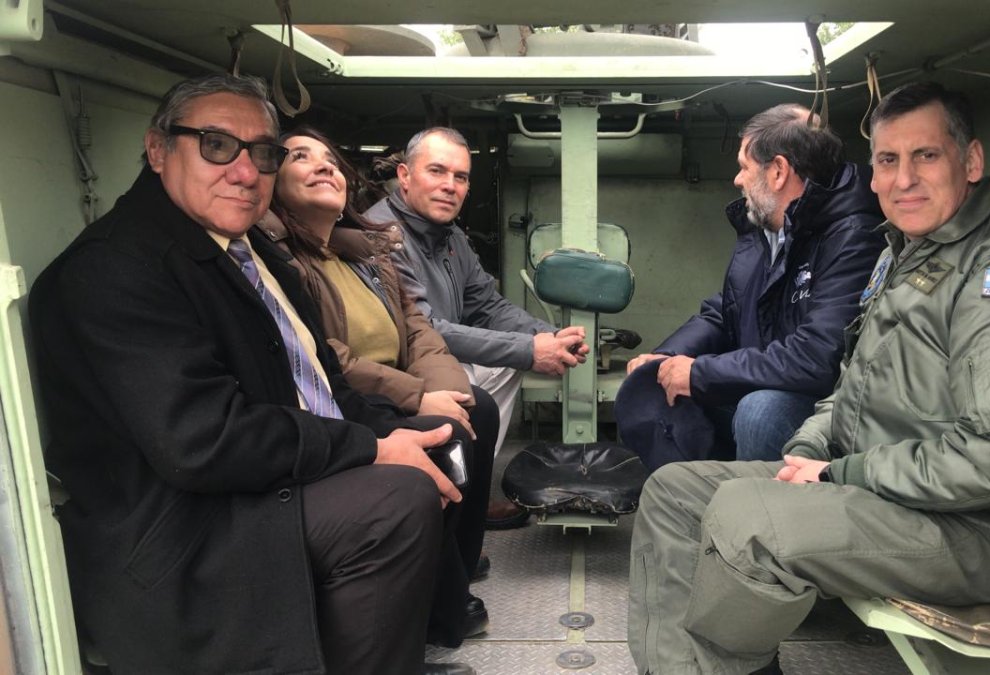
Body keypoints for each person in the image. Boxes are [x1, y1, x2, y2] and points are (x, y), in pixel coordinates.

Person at [626, 81, 990, 675]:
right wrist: (808, 451)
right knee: (673, 495)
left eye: (925, 155)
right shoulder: (906, 254)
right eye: (888, 160)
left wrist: (839, 473)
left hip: (968, 530)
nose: (904, 179)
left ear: (971, 161)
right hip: (880, 490)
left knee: (748, 523)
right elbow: (850, 383)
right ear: (872, 174)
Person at [30, 74, 474, 675]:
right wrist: (372, 447)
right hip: (180, 528)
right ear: (158, 149)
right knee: (396, 500)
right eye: (217, 145)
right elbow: (202, 441)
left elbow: (322, 385)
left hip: (254, 477)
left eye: (263, 153)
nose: (245, 172)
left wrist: (394, 432)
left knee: (441, 442)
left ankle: (402, 647)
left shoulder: (248, 249)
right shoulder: (115, 268)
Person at [261, 125, 500, 645]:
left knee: (475, 410)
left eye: (330, 159)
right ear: (272, 180)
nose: (323, 166)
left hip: (398, 387)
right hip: (347, 401)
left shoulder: (365, 251)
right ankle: (438, 597)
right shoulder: (280, 260)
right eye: (301, 157)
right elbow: (326, 357)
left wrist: (449, 391)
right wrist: (420, 398)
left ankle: (452, 573)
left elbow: (417, 330)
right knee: (439, 432)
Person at [616, 104, 885, 469]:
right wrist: (667, 358)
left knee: (761, 411)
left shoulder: (853, 237)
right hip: (768, 381)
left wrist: (699, 373)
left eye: (744, 167)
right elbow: (726, 311)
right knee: (659, 388)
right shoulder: (769, 228)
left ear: (778, 171)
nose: (737, 180)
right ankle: (694, 494)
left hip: (828, 409)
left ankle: (757, 503)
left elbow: (816, 358)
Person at [364, 126, 590, 527]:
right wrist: (530, 350)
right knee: (500, 365)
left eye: (461, 177)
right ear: (405, 176)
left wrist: (546, 336)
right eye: (437, 171)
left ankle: (472, 486)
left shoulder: (450, 236)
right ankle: (444, 495)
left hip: (441, 358)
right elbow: (424, 331)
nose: (450, 186)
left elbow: (486, 305)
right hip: (405, 370)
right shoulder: (381, 236)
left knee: (508, 361)